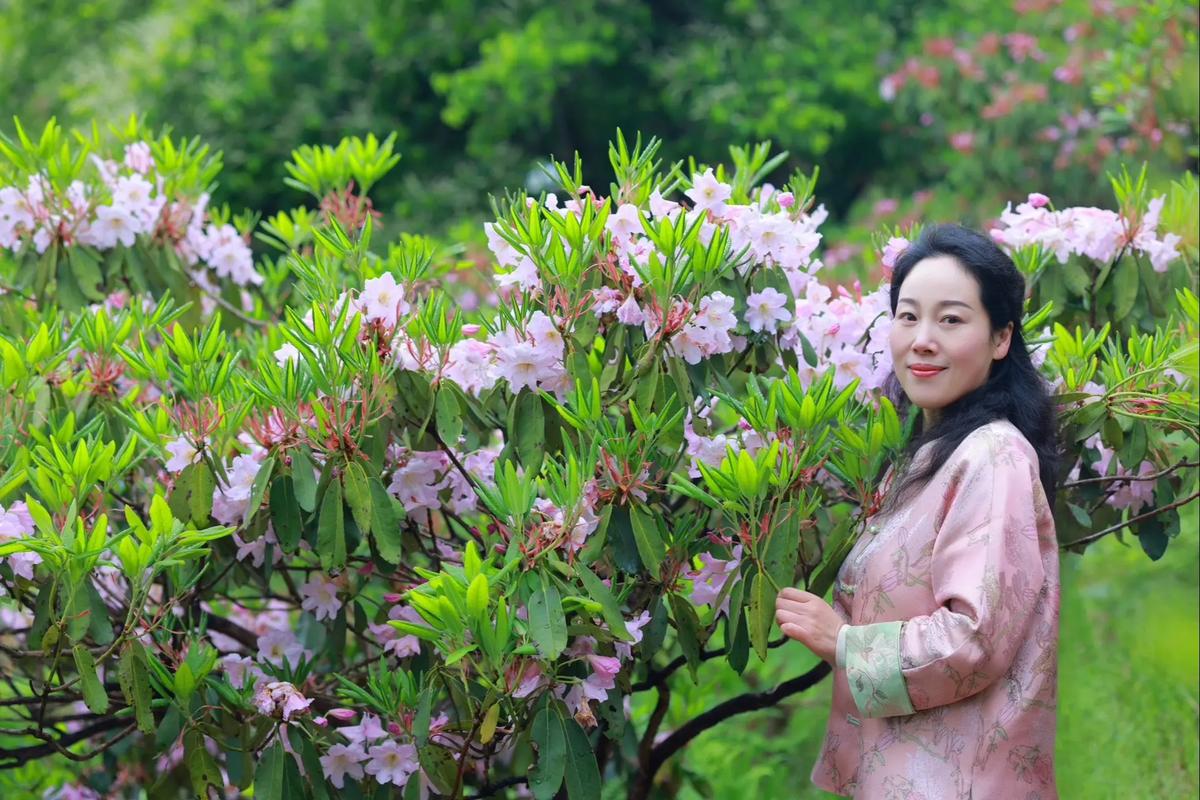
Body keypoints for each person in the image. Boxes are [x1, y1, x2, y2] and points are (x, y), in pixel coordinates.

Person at [774, 224, 1061, 799]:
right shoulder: (934, 452)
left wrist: (845, 642)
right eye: (908, 317)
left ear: (1001, 338)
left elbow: (974, 638)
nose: (922, 340)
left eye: (951, 320)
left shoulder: (993, 455)